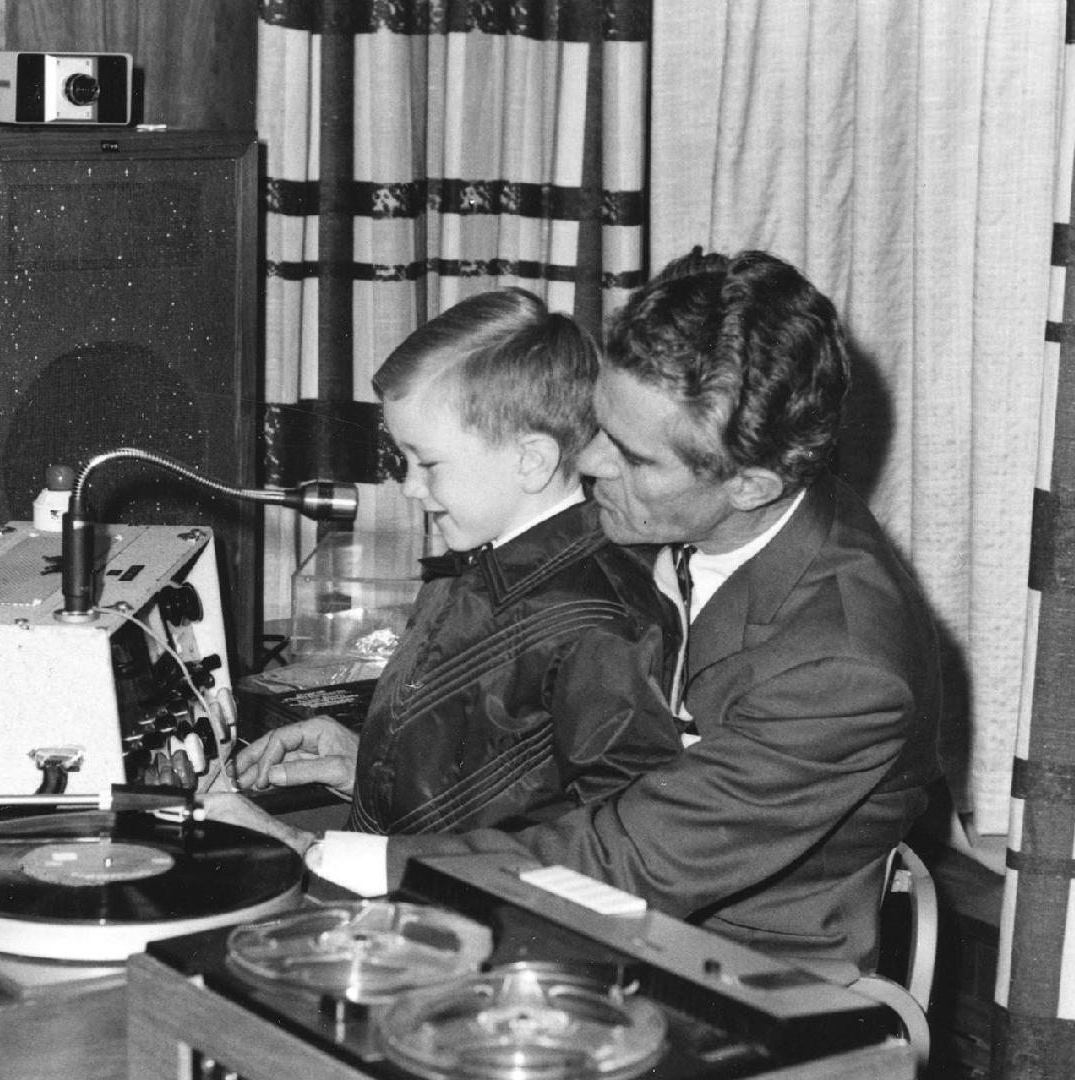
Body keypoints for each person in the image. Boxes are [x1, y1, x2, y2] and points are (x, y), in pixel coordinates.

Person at [212, 251, 942, 980]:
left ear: (750, 485)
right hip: (612, 919)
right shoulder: (700, 520)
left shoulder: (841, 669)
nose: (587, 462)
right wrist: (377, 769)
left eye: (633, 456)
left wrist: (315, 853)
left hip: (733, 978)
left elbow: (620, 861)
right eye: (598, 423)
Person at [252, 286, 682, 836]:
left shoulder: (593, 619)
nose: (410, 488)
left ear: (530, 461)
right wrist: (369, 771)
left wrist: (303, 846)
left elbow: (605, 841)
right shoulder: (481, 571)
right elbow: (499, 781)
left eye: (427, 463)